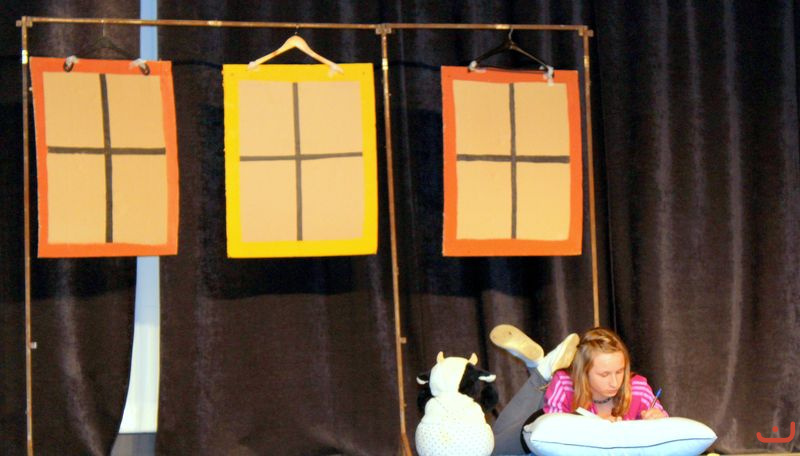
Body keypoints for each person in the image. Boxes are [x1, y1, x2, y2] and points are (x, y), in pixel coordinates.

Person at [489, 325, 667, 455]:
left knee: (492, 441)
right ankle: (542, 372)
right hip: (536, 424)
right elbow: (552, 439)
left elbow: (668, 431)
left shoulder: (638, 388)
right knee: (493, 449)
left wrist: (659, 420)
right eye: (604, 374)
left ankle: (540, 370)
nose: (615, 382)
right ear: (583, 373)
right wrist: (597, 428)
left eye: (620, 371)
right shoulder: (565, 384)